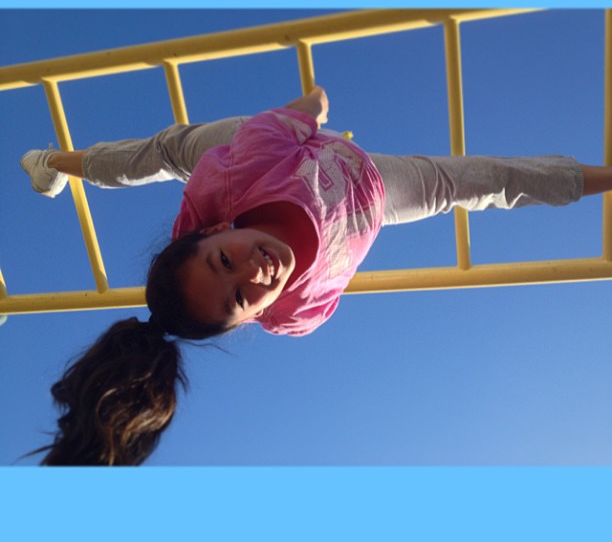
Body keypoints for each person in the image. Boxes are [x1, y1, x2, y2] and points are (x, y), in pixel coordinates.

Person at [19, 86, 612, 465]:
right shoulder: (294, 313)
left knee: (171, 150)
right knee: (472, 182)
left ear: (212, 230)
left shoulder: (232, 175)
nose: (255, 272)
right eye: (241, 298)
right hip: (363, 186)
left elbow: (283, 127)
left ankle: (51, 164)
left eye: (226, 262)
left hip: (270, 162)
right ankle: (601, 178)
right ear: (253, 318)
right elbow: (480, 180)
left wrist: (309, 111)